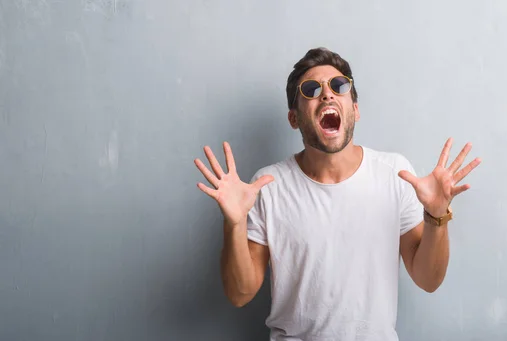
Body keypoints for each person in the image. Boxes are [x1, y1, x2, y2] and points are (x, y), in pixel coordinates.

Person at [194, 47, 481, 340]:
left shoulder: (394, 174)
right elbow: (240, 294)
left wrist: (436, 216)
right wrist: (234, 223)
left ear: (354, 109)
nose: (327, 95)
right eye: (311, 89)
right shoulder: (267, 186)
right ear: (294, 119)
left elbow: (429, 279)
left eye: (339, 86)